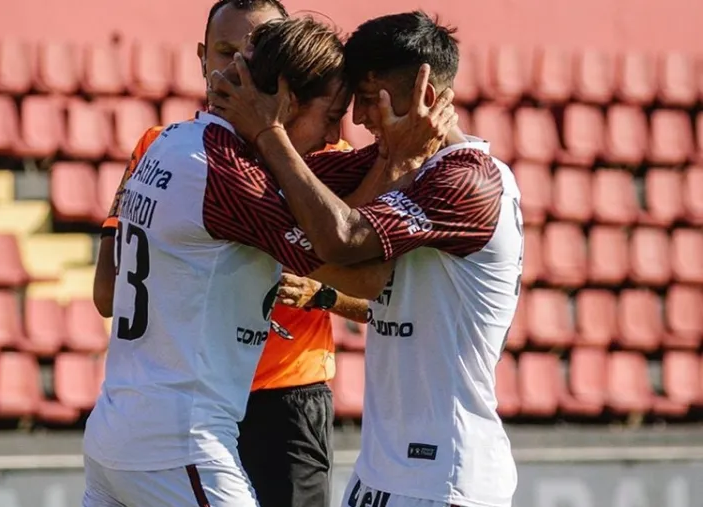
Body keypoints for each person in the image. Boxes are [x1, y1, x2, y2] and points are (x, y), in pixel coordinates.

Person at [82, 16, 455, 507]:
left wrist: (398, 144)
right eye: (331, 116)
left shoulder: (176, 143)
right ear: (285, 102)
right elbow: (356, 268)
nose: (332, 135)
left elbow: (331, 176)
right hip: (179, 443)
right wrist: (402, 164)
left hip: (118, 430)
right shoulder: (229, 176)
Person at [209, 11, 522, 507]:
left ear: (423, 92)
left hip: (446, 478)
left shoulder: (469, 181)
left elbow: (343, 238)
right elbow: (291, 185)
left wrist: (268, 131)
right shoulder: (397, 161)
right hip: (378, 473)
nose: (356, 119)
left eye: (370, 98)